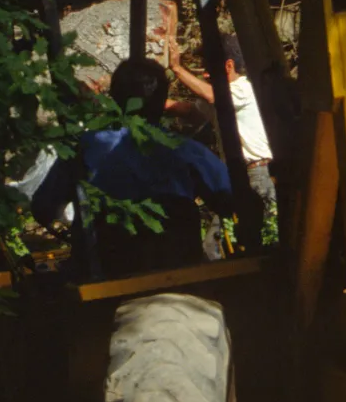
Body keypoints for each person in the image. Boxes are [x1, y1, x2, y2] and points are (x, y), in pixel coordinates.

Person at [14, 58, 233, 277]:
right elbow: (229, 200)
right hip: (180, 271)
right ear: (163, 101)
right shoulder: (188, 151)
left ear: (115, 99)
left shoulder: (85, 148)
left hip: (106, 274)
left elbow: (44, 209)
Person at [168, 31, 277, 232]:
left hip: (256, 175)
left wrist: (177, 69)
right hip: (238, 176)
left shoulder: (242, 89)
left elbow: (212, 97)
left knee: (247, 236)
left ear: (228, 66)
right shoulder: (222, 98)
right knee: (221, 241)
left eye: (210, 68)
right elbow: (191, 111)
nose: (206, 75)